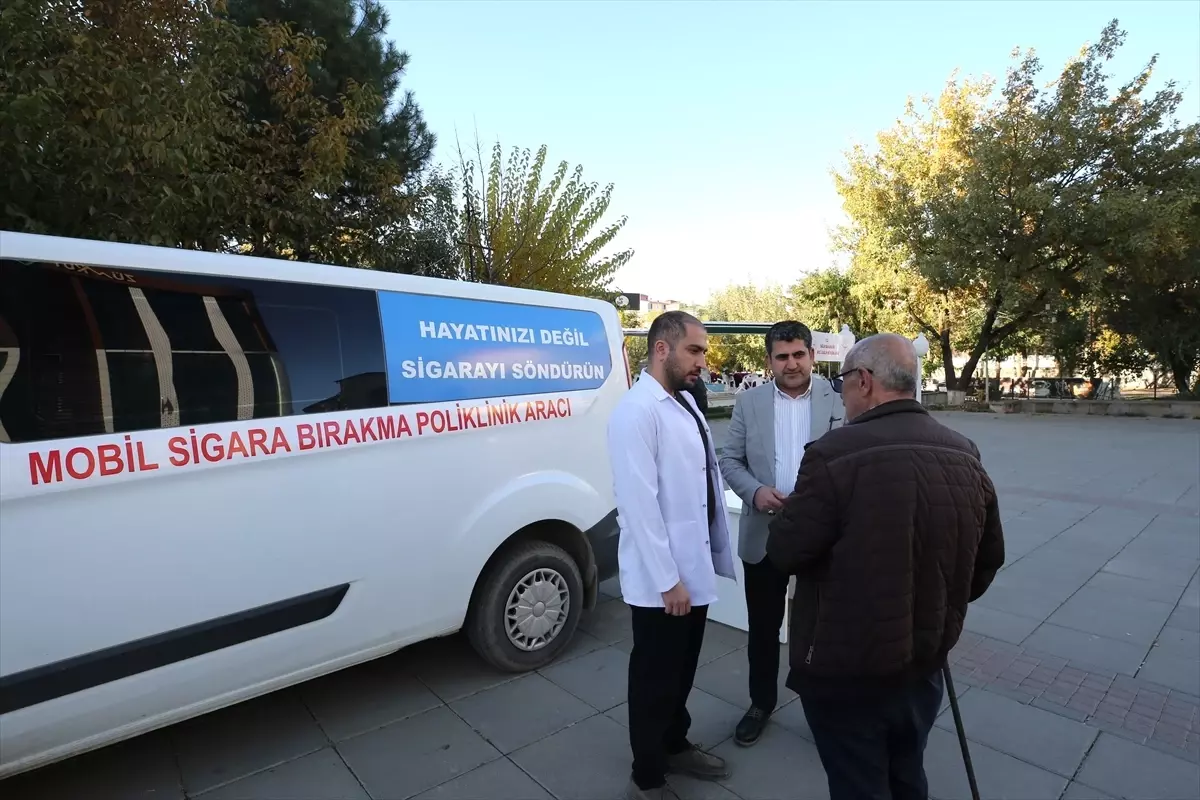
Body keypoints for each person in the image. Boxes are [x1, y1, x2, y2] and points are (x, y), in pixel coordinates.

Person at [765, 333, 1006, 800]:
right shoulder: (964, 451)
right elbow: (986, 562)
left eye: (843, 382)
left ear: (864, 381)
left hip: (847, 670)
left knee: (860, 785)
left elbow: (785, 552)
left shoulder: (833, 454)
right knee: (907, 774)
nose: (842, 394)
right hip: (924, 663)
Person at [607, 310, 736, 800]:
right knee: (654, 679)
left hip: (690, 571)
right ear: (662, 348)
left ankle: (675, 744)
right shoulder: (636, 412)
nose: (703, 361)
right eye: (694, 350)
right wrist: (668, 580)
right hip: (663, 583)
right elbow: (639, 507)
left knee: (681, 672)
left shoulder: (684, 402)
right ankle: (647, 776)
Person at [718, 320, 845, 746]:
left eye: (798, 355)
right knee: (763, 628)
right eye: (782, 356)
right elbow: (730, 459)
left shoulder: (838, 400)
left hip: (821, 537)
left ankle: (826, 709)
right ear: (769, 360)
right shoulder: (749, 402)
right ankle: (760, 703)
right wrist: (755, 492)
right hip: (764, 536)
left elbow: (851, 462)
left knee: (824, 629)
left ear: (812, 355)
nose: (791, 364)